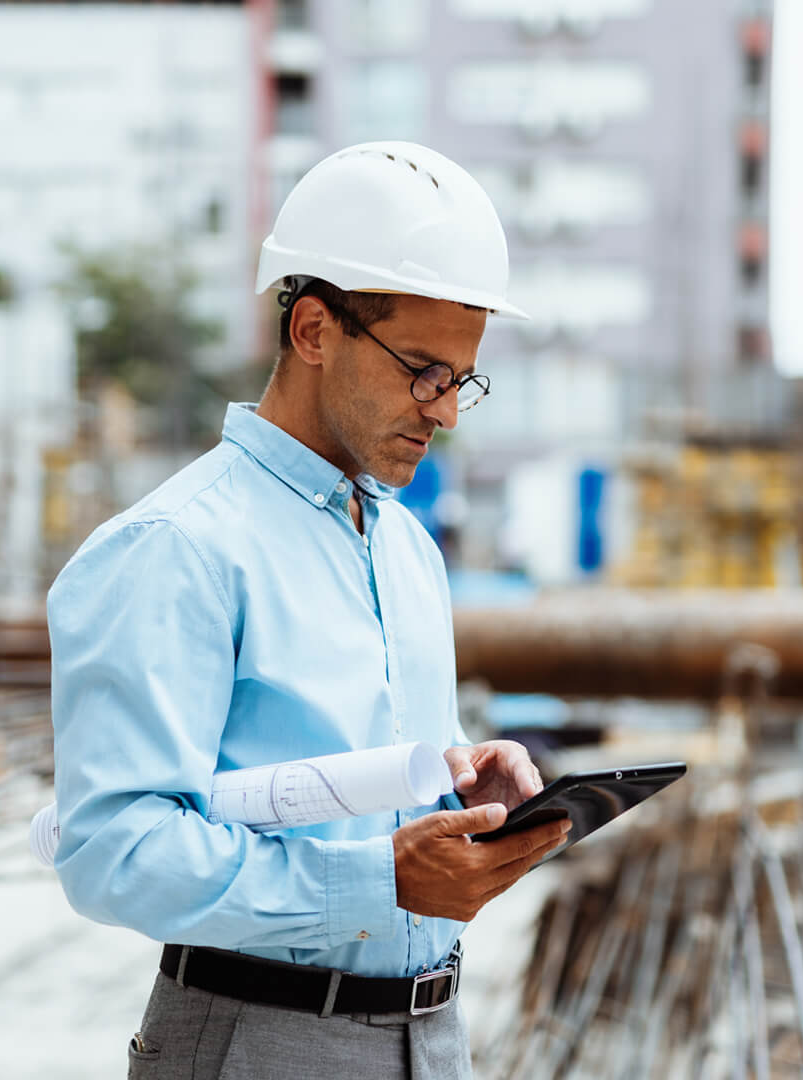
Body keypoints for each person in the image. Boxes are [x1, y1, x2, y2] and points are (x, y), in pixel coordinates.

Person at [47, 141, 570, 1079]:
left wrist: (465, 790)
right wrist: (376, 882)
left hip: (431, 1037)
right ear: (315, 330)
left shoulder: (405, 547)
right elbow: (111, 848)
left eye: (461, 378)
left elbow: (383, 789)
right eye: (422, 370)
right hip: (259, 1038)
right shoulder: (177, 548)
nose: (446, 411)